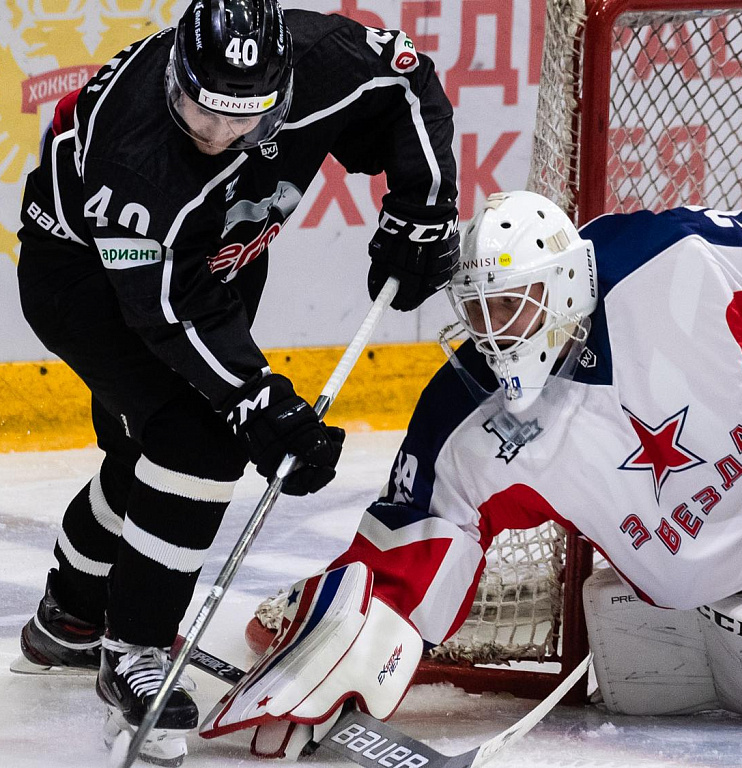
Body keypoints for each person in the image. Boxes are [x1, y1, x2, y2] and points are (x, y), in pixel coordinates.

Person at [204, 190, 742, 754]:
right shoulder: (468, 417)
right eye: (479, 310)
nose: (495, 332)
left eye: (512, 304)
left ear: (562, 286)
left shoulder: (661, 259)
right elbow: (415, 541)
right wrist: (350, 644)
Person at [13, 0, 457, 763]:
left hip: (214, 255)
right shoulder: (138, 156)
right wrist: (258, 401)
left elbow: (406, 82)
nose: (219, 134)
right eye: (201, 113)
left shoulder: (325, 55)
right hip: (84, 278)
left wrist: (424, 209)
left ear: (282, 92)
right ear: (176, 81)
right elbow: (168, 312)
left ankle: (71, 617)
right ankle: (134, 650)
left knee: (143, 453)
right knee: (198, 441)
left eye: (242, 119)